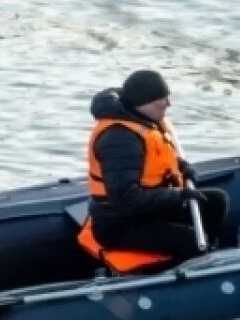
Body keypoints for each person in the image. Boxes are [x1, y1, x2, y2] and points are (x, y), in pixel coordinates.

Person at [84, 69, 228, 266]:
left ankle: (207, 250)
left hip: (148, 208)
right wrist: (178, 196)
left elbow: (156, 159)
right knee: (189, 239)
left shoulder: (146, 120)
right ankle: (186, 269)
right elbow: (124, 197)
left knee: (216, 202)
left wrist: (182, 167)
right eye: (162, 99)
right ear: (144, 103)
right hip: (120, 223)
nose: (169, 104)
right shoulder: (120, 139)